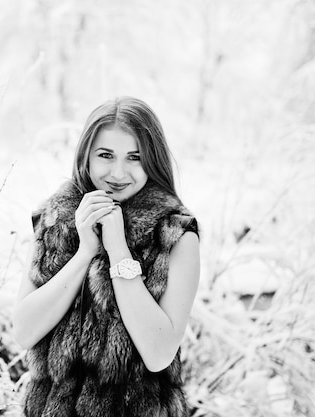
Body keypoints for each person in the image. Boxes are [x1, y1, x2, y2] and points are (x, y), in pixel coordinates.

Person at [12, 96, 200, 417]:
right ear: (86, 156)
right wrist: (86, 251)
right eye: (105, 155)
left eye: (134, 157)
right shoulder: (55, 218)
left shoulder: (175, 233)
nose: (118, 172)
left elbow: (158, 353)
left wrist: (118, 251)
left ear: (152, 161)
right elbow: (24, 332)